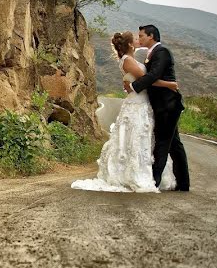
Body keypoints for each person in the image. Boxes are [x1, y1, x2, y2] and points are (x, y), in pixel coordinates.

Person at [72, 31, 177, 192]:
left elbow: (141, 78)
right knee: (134, 137)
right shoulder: (127, 60)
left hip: (142, 102)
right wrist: (169, 84)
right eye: (135, 39)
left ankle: (146, 172)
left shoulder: (131, 59)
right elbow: (146, 79)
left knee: (142, 137)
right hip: (136, 104)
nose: (137, 40)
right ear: (129, 44)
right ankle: (131, 174)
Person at [126, 24, 190, 191]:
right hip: (163, 105)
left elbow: (153, 75)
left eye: (141, 36)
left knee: (162, 142)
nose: (139, 39)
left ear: (151, 36)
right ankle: (183, 184)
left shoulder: (162, 52)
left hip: (168, 105)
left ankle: (153, 181)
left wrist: (133, 87)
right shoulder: (151, 53)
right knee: (174, 144)